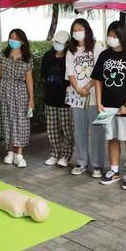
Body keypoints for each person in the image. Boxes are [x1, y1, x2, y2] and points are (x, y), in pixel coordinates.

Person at [92, 21, 126, 190]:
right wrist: (99, 102)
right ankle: (114, 170)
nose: (111, 38)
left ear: (123, 36)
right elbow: (98, 80)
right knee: (112, 137)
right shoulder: (104, 55)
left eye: (115, 35)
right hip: (107, 106)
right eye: (110, 35)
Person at [65, 18, 106, 178]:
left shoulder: (97, 47)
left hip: (95, 95)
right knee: (79, 131)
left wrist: (88, 87)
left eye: (80, 29)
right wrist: (78, 88)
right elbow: (70, 73)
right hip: (77, 96)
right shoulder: (71, 51)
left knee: (97, 131)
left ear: (87, 30)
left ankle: (97, 165)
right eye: (74, 30)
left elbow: (99, 71)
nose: (77, 32)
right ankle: (82, 162)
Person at [0, 29, 34, 168]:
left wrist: (31, 98)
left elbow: (29, 80)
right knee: (7, 119)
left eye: (16, 38)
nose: (13, 40)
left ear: (22, 41)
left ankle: (19, 154)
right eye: (11, 37)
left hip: (20, 91)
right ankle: (9, 152)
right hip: (5, 90)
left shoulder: (27, 58)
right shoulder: (2, 55)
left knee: (21, 121)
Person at [40, 30, 73, 167]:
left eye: (61, 43)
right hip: (50, 98)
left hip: (65, 100)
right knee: (52, 128)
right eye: (56, 42)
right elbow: (43, 75)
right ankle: (54, 153)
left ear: (67, 44)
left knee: (67, 129)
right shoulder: (48, 56)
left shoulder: (70, 56)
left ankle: (66, 155)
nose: (57, 44)